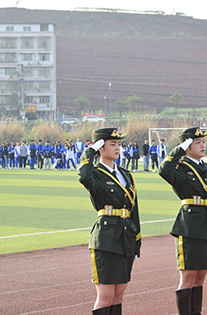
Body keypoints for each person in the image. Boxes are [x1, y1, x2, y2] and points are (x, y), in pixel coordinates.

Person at [78, 127, 141, 315]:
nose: (117, 148)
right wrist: (90, 150)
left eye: (118, 144)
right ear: (100, 148)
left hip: (125, 237)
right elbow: (83, 175)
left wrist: (137, 239)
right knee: (105, 296)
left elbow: (133, 209)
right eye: (112, 144)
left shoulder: (126, 174)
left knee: (119, 295)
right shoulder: (95, 173)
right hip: (106, 238)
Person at [159, 127, 207, 315]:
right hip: (190, 225)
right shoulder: (180, 167)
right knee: (188, 277)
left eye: (203, 142)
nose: (203, 145)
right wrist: (180, 148)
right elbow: (163, 169)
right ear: (187, 145)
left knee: (200, 276)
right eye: (197, 142)